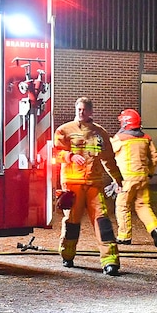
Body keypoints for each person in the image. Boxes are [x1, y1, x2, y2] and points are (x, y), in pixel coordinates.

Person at [54, 97, 126, 275]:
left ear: (90, 112)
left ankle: (110, 261)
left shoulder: (100, 133)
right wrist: (70, 156)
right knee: (72, 222)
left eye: (84, 110)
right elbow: (54, 153)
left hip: (94, 184)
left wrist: (118, 179)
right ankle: (67, 255)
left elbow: (108, 159)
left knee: (102, 221)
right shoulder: (64, 131)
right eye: (79, 109)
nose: (81, 112)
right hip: (73, 184)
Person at [110, 108, 157, 246]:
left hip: (126, 180)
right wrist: (150, 172)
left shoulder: (120, 139)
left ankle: (124, 236)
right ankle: (155, 229)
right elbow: (155, 157)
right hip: (143, 178)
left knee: (122, 206)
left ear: (125, 123)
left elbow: (108, 154)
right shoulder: (146, 138)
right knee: (143, 205)